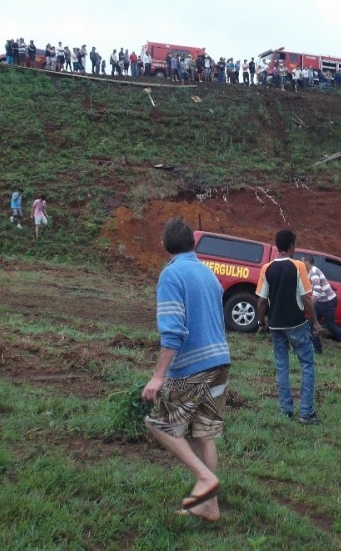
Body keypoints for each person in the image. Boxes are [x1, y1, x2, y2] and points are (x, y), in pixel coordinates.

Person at [141, 217, 231, 523]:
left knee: (160, 425)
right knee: (203, 434)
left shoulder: (172, 275)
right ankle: (210, 506)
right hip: (220, 361)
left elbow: (173, 331)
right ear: (193, 243)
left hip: (194, 366)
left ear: (165, 246)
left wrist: (158, 376)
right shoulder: (209, 274)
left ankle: (204, 479)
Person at [255, 229, 320, 424]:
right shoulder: (298, 266)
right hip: (296, 324)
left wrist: (261, 323)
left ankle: (286, 410)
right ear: (291, 246)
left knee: (282, 366)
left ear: (277, 247)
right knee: (307, 364)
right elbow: (306, 298)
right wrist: (315, 321)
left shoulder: (267, 268)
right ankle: (306, 412)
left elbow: (261, 301)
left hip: (275, 326)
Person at [301, 255, 341, 357]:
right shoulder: (310, 272)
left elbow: (318, 290)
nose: (301, 265)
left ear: (307, 263)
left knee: (331, 327)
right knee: (312, 324)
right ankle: (317, 350)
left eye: (302, 262)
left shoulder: (314, 272)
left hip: (327, 301)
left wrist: (311, 302)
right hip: (322, 301)